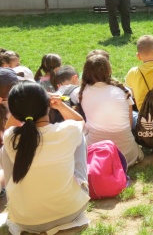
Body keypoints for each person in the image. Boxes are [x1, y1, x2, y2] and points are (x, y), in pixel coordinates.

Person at [2, 82, 89, 233]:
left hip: (25, 219)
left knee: (5, 150)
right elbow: (80, 122)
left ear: (14, 113)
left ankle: (16, 199)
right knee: (79, 137)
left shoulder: (10, 138)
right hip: (69, 212)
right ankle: (80, 187)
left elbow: (9, 129)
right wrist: (60, 105)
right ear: (47, 105)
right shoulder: (67, 131)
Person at [77, 54, 142, 168]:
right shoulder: (123, 90)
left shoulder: (81, 92)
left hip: (97, 156)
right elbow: (130, 122)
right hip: (127, 154)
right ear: (109, 69)